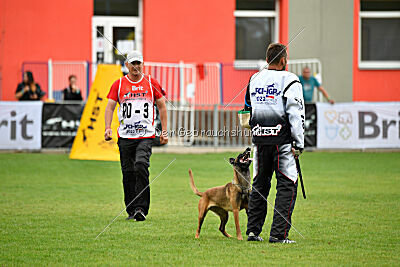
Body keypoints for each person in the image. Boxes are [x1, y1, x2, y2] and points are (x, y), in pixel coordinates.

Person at [244, 43, 305, 243]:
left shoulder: (254, 79)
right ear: (283, 60)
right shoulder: (290, 79)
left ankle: (253, 231)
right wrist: (299, 142)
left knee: (260, 184)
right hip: (283, 142)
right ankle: (278, 235)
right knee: (287, 185)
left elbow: (246, 110)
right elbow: (295, 112)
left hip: (260, 141)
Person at [104, 50, 168, 221]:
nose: (136, 66)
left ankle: (141, 208)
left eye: (138, 63)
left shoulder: (151, 83)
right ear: (127, 65)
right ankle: (131, 209)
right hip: (125, 137)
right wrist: (108, 127)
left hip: (145, 136)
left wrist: (165, 131)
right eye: (132, 63)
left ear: (143, 64)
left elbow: (162, 106)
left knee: (140, 165)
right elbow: (110, 107)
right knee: (128, 173)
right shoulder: (118, 84)